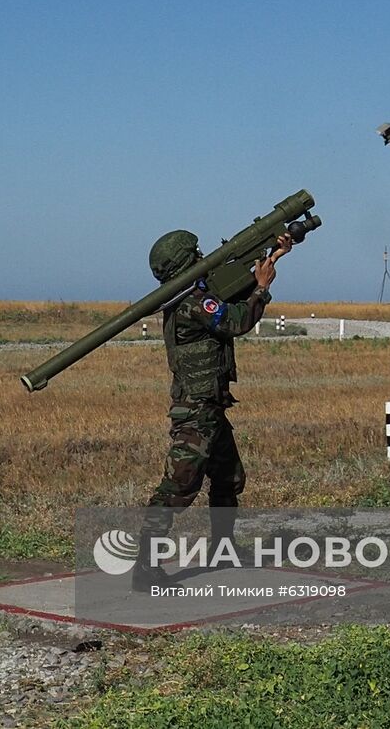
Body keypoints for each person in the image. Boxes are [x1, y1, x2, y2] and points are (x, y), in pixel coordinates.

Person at [132, 229, 292, 591]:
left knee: (228, 478)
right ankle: (145, 568)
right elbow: (235, 320)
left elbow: (228, 292)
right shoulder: (192, 303)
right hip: (196, 412)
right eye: (198, 253)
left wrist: (274, 257)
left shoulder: (193, 295)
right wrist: (262, 289)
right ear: (187, 262)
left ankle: (223, 548)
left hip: (211, 409)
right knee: (177, 488)